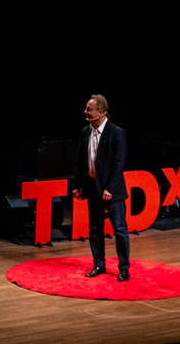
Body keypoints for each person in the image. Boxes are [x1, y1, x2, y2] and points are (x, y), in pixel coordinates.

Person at [72, 94, 131, 282]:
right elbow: (79, 161)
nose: (85, 112)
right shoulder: (85, 132)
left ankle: (123, 269)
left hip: (112, 191)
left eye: (89, 109)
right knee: (95, 228)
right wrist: (76, 185)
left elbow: (119, 164)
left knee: (119, 229)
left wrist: (110, 188)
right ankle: (99, 264)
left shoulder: (116, 133)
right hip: (92, 187)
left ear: (101, 112)